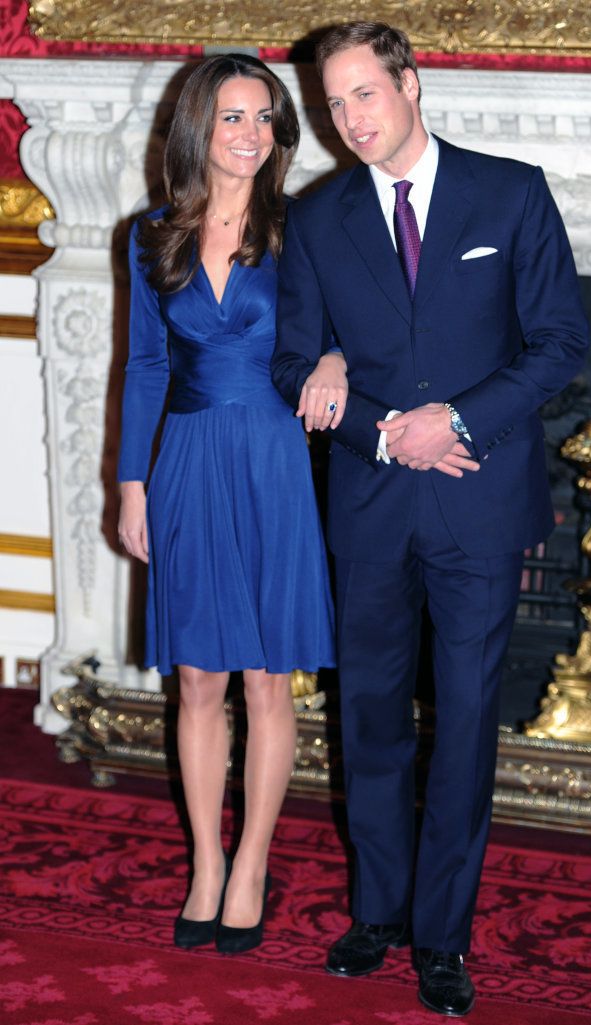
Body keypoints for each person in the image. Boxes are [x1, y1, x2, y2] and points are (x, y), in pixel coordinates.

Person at [271, 21, 589, 1016]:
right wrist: (379, 432)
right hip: (368, 505)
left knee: (462, 730)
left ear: (413, 83)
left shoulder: (512, 192)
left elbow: (559, 343)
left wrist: (455, 421)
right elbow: (295, 361)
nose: (350, 120)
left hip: (479, 501)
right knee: (367, 718)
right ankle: (379, 911)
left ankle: (442, 937)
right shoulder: (316, 221)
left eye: (366, 94)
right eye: (334, 104)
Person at [117, 54, 340, 956]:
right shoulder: (150, 235)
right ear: (198, 127)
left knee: (265, 677)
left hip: (277, 461)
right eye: (233, 117)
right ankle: (206, 862)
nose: (251, 136)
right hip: (188, 465)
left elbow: (350, 332)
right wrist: (132, 483)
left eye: (265, 119)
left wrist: (335, 363)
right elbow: (142, 366)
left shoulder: (304, 227)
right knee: (200, 679)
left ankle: (253, 864)